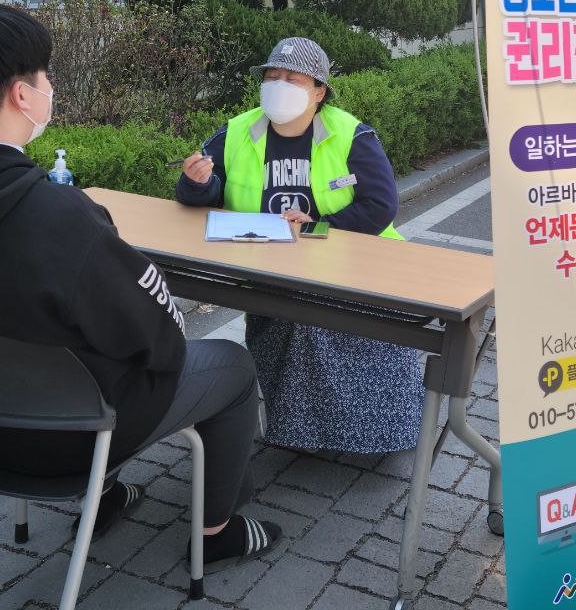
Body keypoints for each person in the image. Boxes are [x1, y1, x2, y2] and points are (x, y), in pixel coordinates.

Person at [0, 3, 280, 567]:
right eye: (45, 75)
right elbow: (161, 340)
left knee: (71, 342)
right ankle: (216, 534)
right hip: (68, 438)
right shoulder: (58, 217)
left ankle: (105, 497)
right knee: (231, 363)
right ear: (21, 94)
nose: (50, 87)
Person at [176, 37, 421, 453]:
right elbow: (203, 194)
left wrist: (318, 228)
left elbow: (381, 205)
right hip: (270, 265)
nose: (279, 85)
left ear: (319, 91)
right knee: (287, 314)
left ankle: (378, 433)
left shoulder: (351, 134)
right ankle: (298, 431)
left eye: (292, 78)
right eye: (272, 76)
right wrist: (195, 182)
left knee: (332, 318)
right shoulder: (237, 131)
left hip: (353, 264)